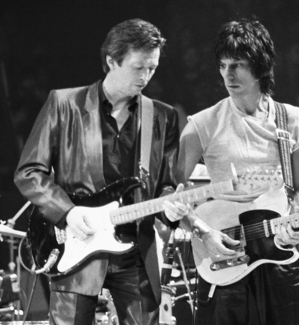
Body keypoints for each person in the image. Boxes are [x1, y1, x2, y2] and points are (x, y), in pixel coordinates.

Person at [14, 18, 187, 325]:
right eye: (138, 67)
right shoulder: (64, 104)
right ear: (111, 61)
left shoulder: (163, 116)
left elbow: (165, 186)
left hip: (135, 253)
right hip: (76, 248)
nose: (146, 76)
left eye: (153, 68)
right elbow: (29, 172)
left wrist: (171, 208)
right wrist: (66, 212)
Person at [177, 19, 299, 325]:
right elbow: (170, 194)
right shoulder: (202, 124)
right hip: (225, 253)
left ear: (260, 66)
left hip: (277, 252)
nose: (228, 74)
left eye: (237, 64)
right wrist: (203, 232)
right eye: (223, 65)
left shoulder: (293, 121)